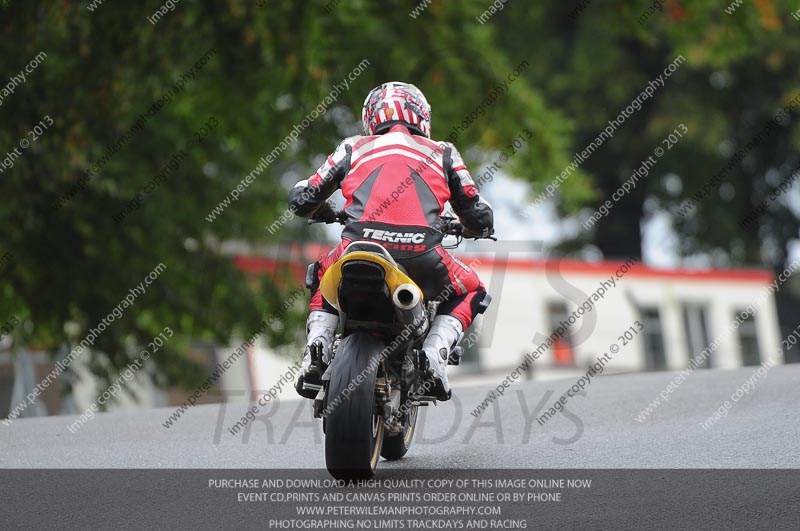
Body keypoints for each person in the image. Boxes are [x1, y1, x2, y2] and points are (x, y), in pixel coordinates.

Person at [290, 81, 493, 401]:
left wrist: (323, 210)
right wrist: (466, 227)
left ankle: (316, 350)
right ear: (422, 117)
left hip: (356, 247)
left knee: (321, 274)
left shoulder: (352, 147)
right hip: (423, 255)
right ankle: (433, 356)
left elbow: (303, 199)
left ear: (370, 118)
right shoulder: (443, 152)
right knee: (473, 289)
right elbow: (479, 216)